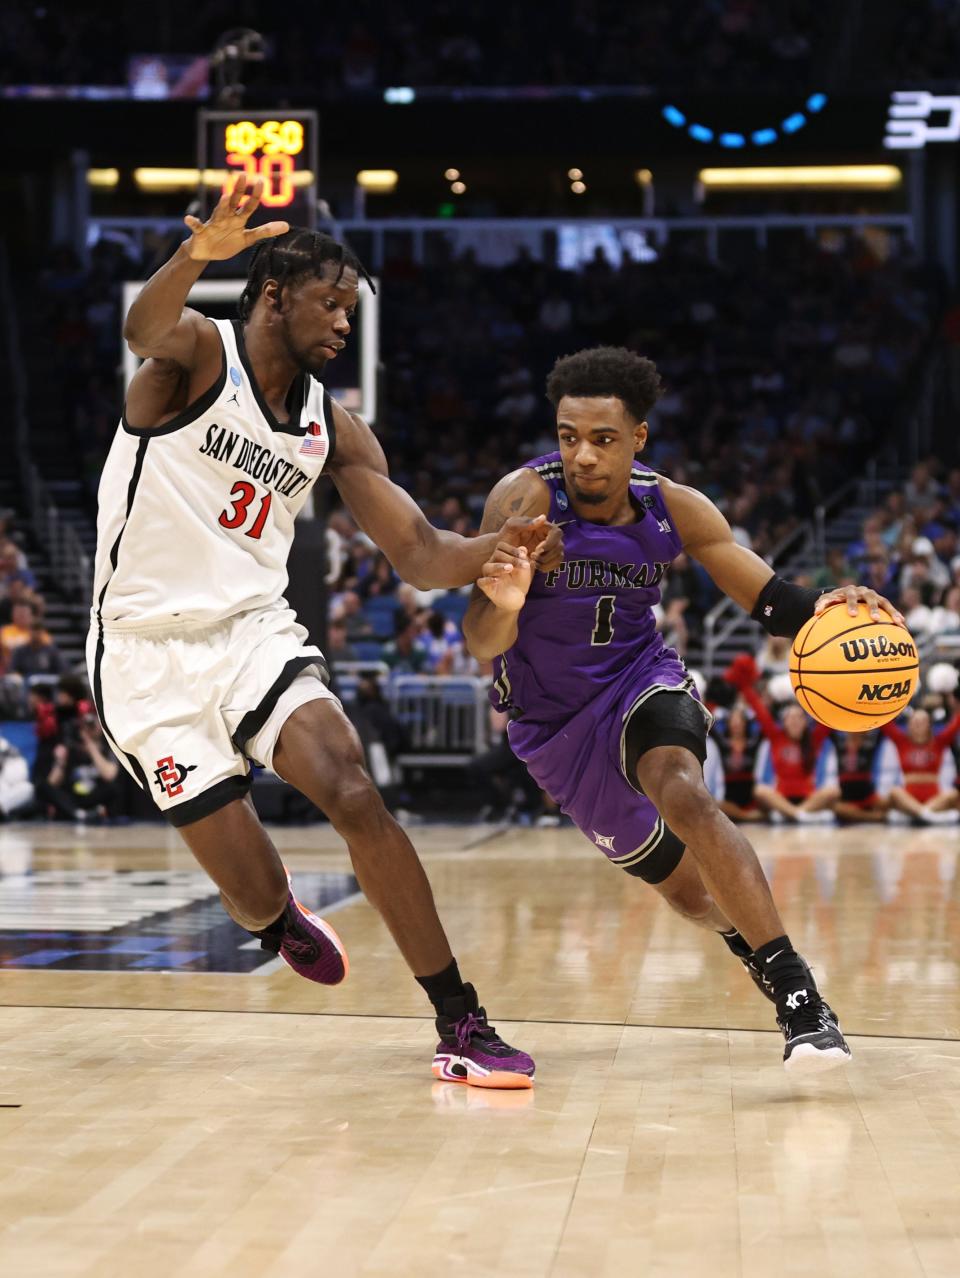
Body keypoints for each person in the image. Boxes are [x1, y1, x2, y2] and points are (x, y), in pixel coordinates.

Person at [90, 175, 561, 1089]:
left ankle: (459, 1019)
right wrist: (195, 256)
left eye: (352, 308)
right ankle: (275, 921)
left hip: (251, 631)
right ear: (272, 295)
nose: (345, 323)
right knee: (252, 888)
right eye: (330, 303)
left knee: (351, 787)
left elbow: (422, 555)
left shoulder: (335, 429)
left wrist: (501, 549)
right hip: (142, 652)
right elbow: (143, 328)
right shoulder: (193, 357)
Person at [463, 345, 904, 1072]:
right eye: (568, 436)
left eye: (603, 439)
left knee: (685, 794)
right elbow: (483, 639)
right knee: (692, 897)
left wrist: (832, 611)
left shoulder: (676, 507)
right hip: (552, 727)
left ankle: (799, 998)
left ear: (638, 438)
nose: (583, 457)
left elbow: (770, 601)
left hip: (641, 679)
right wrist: (505, 601)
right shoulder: (525, 500)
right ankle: (750, 946)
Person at [725, 656, 837, 825]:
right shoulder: (776, 737)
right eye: (790, 718)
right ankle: (800, 815)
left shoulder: (814, 739)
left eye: (799, 718)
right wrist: (745, 685)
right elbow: (758, 708)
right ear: (783, 722)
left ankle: (795, 814)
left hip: (808, 798)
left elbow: (832, 715)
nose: (794, 722)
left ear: (806, 723)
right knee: (761, 791)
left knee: (833, 791)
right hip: (780, 797)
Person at [881, 706, 960, 824]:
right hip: (909, 797)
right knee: (894, 792)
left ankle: (918, 815)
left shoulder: (939, 742)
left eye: (922, 721)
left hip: (934, 799)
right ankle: (927, 815)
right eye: (915, 721)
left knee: (953, 794)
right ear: (909, 725)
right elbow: (884, 724)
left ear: (929, 725)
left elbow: (955, 725)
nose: (918, 724)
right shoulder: (901, 741)